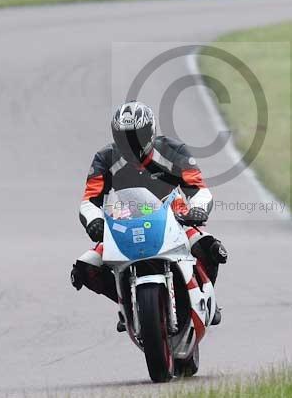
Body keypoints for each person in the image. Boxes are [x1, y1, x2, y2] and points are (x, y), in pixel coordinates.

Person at [70, 101, 227, 328]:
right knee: (86, 268)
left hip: (175, 218)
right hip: (124, 224)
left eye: (137, 135)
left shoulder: (173, 150)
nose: (130, 143)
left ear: (150, 131)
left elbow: (199, 189)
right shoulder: (105, 158)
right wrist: (94, 220)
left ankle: (208, 300)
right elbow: (89, 200)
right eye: (124, 137)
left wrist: (199, 207)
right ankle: (130, 306)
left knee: (210, 247)